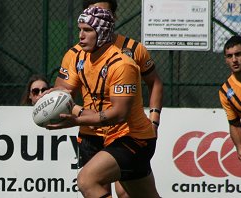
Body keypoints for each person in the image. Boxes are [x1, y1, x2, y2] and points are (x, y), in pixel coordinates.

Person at [46, 7, 161, 198]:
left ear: (103, 32)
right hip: (106, 137)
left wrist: (76, 117)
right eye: (80, 29)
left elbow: (118, 114)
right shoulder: (80, 56)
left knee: (87, 181)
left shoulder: (122, 64)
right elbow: (65, 90)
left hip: (134, 139)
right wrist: (53, 97)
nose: (81, 35)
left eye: (88, 30)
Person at [219, 35, 241, 172]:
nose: (234, 60)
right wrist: (239, 146)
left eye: (238, 54)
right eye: (229, 56)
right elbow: (234, 123)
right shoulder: (225, 91)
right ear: (226, 60)